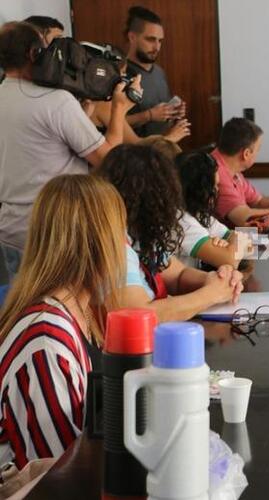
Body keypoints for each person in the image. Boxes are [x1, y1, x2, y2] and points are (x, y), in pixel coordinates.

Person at [0, 175, 127, 469]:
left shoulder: (78, 311)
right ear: (95, 242)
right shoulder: (46, 340)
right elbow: (63, 477)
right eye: (120, 232)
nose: (125, 244)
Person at [0, 21, 133, 277]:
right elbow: (109, 158)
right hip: (55, 234)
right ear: (34, 53)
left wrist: (82, 115)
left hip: (9, 233)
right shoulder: (55, 102)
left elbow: (37, 144)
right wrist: (119, 108)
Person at [97, 145, 244, 323]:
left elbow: (177, 276)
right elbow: (137, 316)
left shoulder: (142, 231)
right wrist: (211, 294)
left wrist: (217, 279)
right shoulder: (113, 242)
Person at [213, 118, 269, 227]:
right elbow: (245, 218)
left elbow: (258, 201)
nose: (258, 154)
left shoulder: (232, 169)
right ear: (246, 154)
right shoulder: (216, 172)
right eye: (258, 149)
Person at [176, 151, 250, 269]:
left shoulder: (199, 214)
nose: (217, 191)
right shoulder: (182, 221)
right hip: (183, 287)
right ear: (199, 189)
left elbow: (249, 247)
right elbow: (230, 260)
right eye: (214, 186)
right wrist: (234, 245)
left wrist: (233, 243)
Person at [123, 6, 186, 137]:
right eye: (151, 39)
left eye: (160, 41)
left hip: (162, 150)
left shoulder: (159, 72)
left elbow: (163, 115)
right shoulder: (120, 74)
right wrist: (149, 115)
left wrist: (174, 112)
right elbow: (109, 124)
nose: (157, 47)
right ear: (132, 37)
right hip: (134, 154)